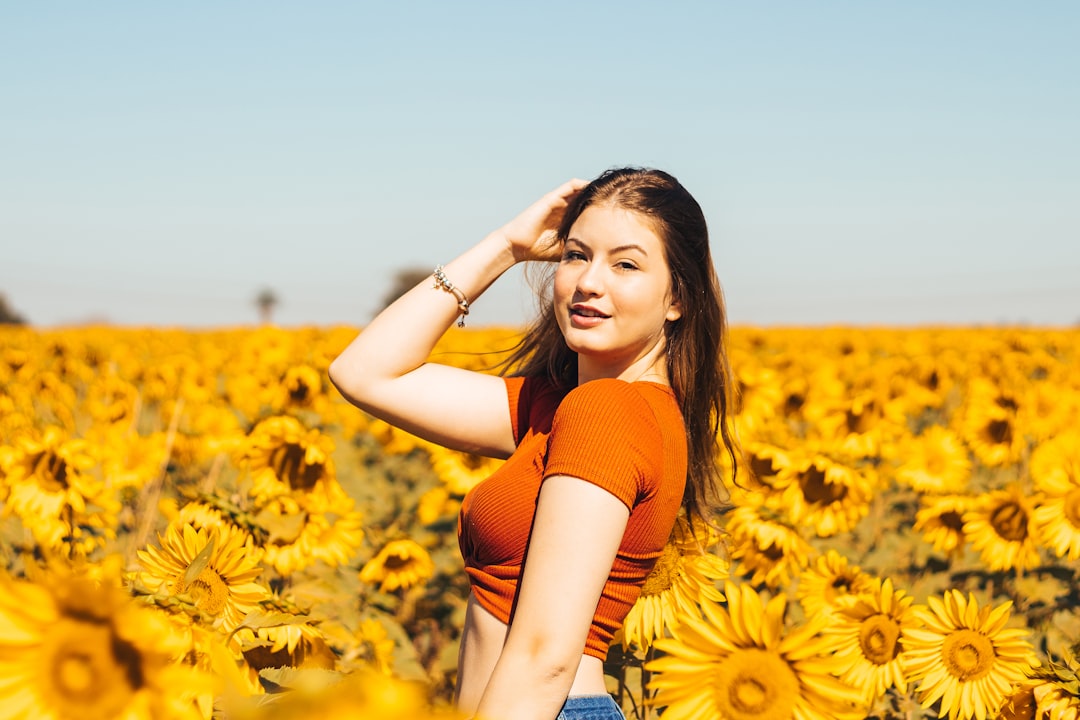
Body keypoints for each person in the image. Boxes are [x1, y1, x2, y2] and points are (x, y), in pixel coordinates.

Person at [328, 167, 737, 720]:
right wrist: (507, 246)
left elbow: (545, 657)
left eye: (625, 264)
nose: (589, 281)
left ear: (677, 299)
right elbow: (365, 374)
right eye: (576, 255)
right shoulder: (562, 409)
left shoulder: (609, 413)